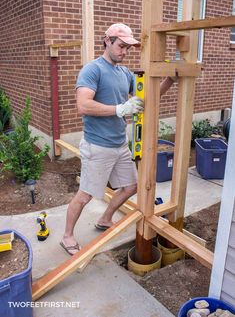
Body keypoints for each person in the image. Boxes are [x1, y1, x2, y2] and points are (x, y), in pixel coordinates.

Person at [60, 23, 176, 255]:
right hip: (98, 146)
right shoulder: (92, 70)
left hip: (119, 144)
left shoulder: (124, 73)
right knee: (85, 195)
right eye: (121, 46)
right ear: (107, 41)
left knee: (131, 186)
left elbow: (147, 98)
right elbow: (83, 105)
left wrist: (171, 80)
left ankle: (105, 218)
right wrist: (120, 109)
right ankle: (67, 236)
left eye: (127, 48)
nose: (124, 51)